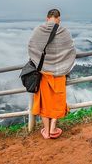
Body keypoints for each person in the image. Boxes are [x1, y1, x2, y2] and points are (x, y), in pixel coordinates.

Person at [28, 8, 76, 139]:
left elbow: (31, 47)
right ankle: (54, 128)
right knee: (58, 100)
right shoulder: (64, 31)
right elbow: (71, 50)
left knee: (45, 102)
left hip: (44, 73)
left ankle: (46, 131)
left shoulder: (38, 30)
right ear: (58, 19)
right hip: (60, 73)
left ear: (47, 18)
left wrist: (40, 64)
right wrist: (63, 65)